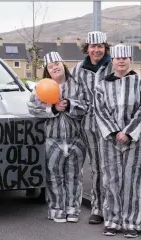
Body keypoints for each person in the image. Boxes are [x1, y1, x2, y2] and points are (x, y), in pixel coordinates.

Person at [27, 52, 87, 223]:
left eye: (56, 63)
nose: (54, 67)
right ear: (47, 70)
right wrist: (52, 110)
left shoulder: (77, 85)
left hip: (76, 138)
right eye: (50, 65)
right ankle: (56, 209)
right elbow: (32, 108)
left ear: (62, 63)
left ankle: (73, 209)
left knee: (74, 176)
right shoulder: (40, 87)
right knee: (53, 176)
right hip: (53, 139)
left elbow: (87, 106)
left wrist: (69, 105)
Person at [94, 44, 141, 238]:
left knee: (132, 181)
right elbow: (99, 109)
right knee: (111, 180)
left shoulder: (139, 82)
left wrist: (128, 132)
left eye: (124, 58)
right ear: (112, 61)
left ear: (130, 59)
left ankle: (131, 222)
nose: (121, 61)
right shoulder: (103, 83)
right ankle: (112, 220)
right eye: (117, 58)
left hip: (134, 141)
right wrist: (115, 132)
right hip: (109, 141)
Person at [71, 31, 113, 224]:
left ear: (106, 48)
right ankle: (98, 208)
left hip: (112, 126)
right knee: (95, 167)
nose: (97, 50)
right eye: (93, 46)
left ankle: (115, 207)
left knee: (112, 167)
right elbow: (73, 95)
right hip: (88, 125)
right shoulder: (78, 69)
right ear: (87, 48)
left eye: (100, 46)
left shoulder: (114, 65)